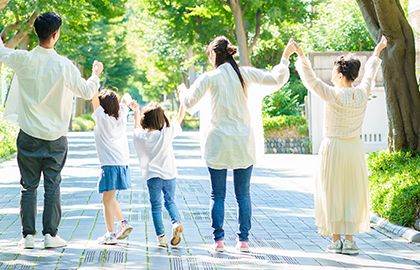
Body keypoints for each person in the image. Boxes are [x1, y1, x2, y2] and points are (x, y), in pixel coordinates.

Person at [0, 5, 103, 249]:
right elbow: (87, 91)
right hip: (55, 138)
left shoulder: (24, 59)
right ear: (56, 34)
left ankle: (27, 236)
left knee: (28, 186)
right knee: (53, 186)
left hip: (28, 135)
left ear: (36, 32)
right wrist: (95, 74)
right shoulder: (64, 66)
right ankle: (50, 235)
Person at [177, 36, 293, 253]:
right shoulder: (246, 74)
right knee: (243, 194)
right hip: (242, 142)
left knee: (217, 194)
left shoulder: (209, 78)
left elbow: (190, 103)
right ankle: (243, 240)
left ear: (213, 54)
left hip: (218, 142)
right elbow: (275, 80)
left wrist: (182, 92)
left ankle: (219, 241)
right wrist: (284, 58)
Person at [291, 36, 387, 255]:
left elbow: (311, 81)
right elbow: (370, 73)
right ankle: (350, 240)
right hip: (354, 148)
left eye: (335, 73)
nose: (332, 76)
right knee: (352, 192)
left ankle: (335, 240)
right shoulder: (362, 94)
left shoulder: (333, 95)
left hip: (333, 147)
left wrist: (302, 56)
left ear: (341, 75)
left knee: (333, 191)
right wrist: (377, 50)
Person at [130, 101, 186, 248]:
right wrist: (183, 100)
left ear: (145, 120)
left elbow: (136, 128)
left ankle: (161, 238)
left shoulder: (140, 137)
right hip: (169, 175)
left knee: (156, 207)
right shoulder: (166, 133)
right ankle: (176, 223)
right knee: (170, 201)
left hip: (152, 177)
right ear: (162, 119)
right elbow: (180, 117)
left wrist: (136, 112)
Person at [91, 89, 134, 245]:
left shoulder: (102, 119)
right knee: (110, 197)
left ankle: (110, 234)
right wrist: (128, 102)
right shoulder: (121, 117)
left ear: (102, 107)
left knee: (106, 200)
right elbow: (125, 97)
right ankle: (122, 223)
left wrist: (95, 74)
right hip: (122, 164)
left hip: (109, 165)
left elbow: (93, 97)